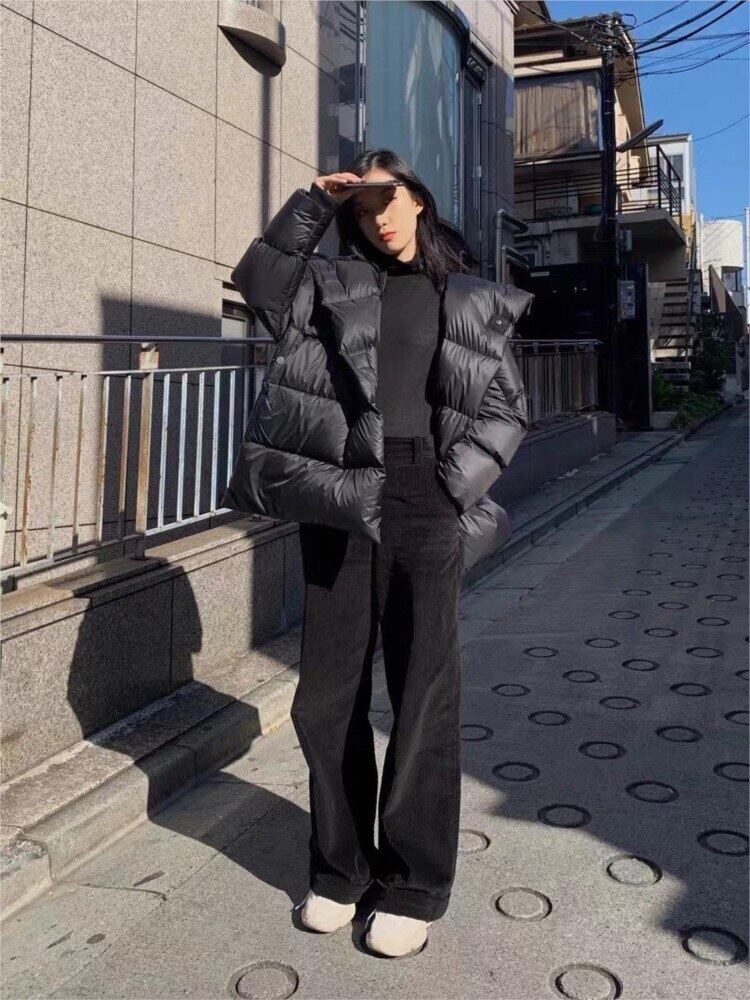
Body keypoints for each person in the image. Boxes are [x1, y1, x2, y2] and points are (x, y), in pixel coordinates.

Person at [222, 149, 533, 958]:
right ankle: (340, 870)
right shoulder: (332, 285)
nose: (378, 218)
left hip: (426, 494)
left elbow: (507, 410)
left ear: (419, 199)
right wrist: (313, 203)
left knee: (424, 693)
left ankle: (414, 883)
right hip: (341, 494)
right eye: (362, 210)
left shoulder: (467, 296)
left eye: (388, 200)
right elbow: (259, 287)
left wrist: (450, 486)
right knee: (325, 698)